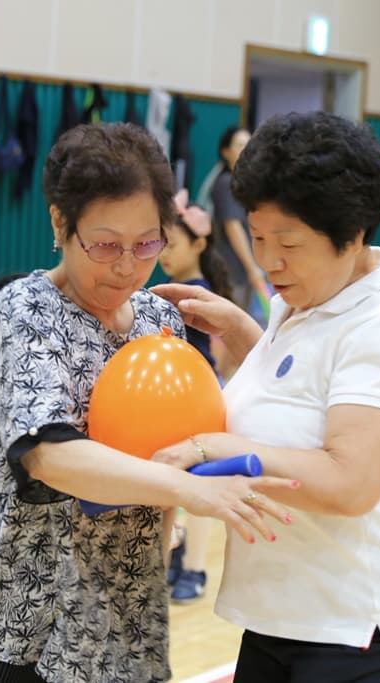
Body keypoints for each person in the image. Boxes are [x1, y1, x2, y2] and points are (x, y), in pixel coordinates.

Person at [0, 122, 295, 683]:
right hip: (8, 622)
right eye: (105, 244)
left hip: (117, 625)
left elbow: (178, 446)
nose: (126, 266)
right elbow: (51, 456)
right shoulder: (27, 312)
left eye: (146, 244)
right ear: (60, 224)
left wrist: (238, 328)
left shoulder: (160, 323)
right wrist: (190, 489)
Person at [153, 111, 380, 682]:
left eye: (287, 242)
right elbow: (300, 398)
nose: (268, 261)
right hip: (289, 613)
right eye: (259, 237)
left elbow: (349, 482)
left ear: (353, 233)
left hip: (362, 628)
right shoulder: (307, 298)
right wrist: (247, 333)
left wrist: (214, 448)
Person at [157, 189, 232, 604]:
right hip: (174, 399)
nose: (164, 252)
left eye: (173, 243)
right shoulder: (169, 290)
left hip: (200, 398)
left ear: (199, 244)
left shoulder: (197, 294)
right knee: (173, 485)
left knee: (200, 485)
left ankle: (196, 569)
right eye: (161, 242)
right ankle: (179, 548)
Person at [210, 126, 266, 314]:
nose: (247, 149)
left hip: (242, 270)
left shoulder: (244, 183)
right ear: (225, 151)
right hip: (232, 270)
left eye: (250, 144)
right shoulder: (226, 182)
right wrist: (252, 268)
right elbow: (233, 227)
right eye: (240, 145)